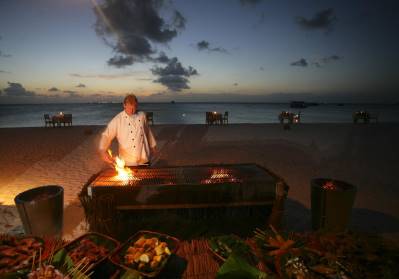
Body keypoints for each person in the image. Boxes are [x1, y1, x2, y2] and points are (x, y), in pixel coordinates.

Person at [99, 94, 157, 166]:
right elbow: (106, 135)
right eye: (130, 108)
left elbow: (147, 131)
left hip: (144, 157)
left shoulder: (142, 115)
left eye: (134, 108)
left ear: (137, 105)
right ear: (124, 105)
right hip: (127, 161)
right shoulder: (118, 119)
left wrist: (153, 146)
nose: (132, 111)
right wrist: (102, 150)